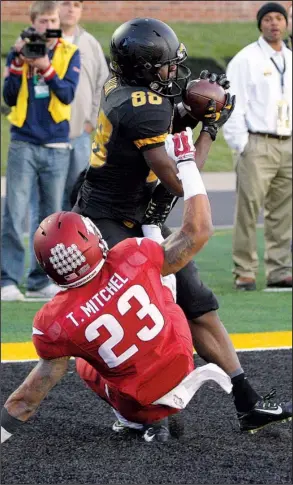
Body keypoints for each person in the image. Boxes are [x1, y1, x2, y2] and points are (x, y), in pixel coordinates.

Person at [72, 17, 290, 431]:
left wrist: (187, 113)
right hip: (109, 221)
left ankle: (247, 402)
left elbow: (164, 125)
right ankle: (131, 411)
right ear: (143, 68)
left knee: (199, 306)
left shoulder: (135, 95)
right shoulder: (141, 107)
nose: (174, 71)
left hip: (141, 215)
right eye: (167, 65)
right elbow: (181, 180)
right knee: (139, 318)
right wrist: (209, 128)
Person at [0, 132, 231, 444]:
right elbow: (198, 231)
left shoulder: (53, 321)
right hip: (182, 363)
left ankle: (131, 421)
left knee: (82, 360)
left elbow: (26, 401)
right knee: (159, 274)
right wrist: (187, 163)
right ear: (94, 238)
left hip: (139, 405)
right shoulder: (132, 254)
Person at [1, 0, 81, 301]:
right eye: (43, 22)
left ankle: (39, 279)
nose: (48, 27)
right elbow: (8, 97)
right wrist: (19, 64)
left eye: (52, 20)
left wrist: (46, 68)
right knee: (14, 212)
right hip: (23, 141)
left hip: (57, 144)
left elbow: (67, 93)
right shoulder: (19, 49)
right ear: (33, 23)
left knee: (50, 218)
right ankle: (7, 279)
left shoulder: (70, 52)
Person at [223, 2, 292, 291]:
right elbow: (232, 102)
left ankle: (279, 270)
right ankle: (245, 271)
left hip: (287, 143)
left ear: (286, 24)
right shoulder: (246, 59)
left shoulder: (289, 57)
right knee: (248, 211)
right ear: (260, 24)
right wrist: (242, 144)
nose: (274, 23)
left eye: (279, 18)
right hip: (257, 143)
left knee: (283, 211)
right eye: (268, 19)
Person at [58, 0, 109, 210]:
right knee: (46, 197)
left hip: (80, 133)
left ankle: (71, 241)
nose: (71, 9)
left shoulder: (90, 43)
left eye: (77, 5)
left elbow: (103, 84)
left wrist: (91, 120)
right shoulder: (42, 42)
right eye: (66, 3)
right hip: (47, 136)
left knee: (76, 195)